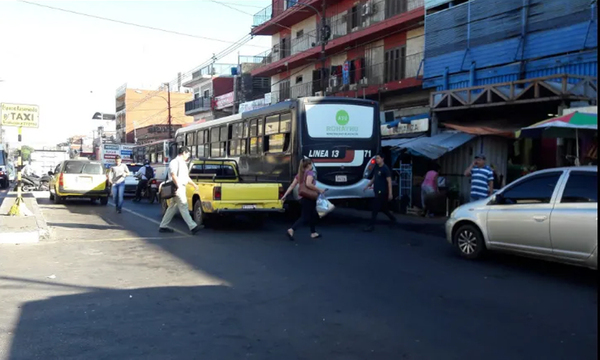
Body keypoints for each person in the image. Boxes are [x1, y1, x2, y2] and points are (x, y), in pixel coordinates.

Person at [158, 147, 202, 235]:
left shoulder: (182, 163)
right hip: (178, 187)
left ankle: (163, 226)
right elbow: (173, 175)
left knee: (172, 207)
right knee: (184, 206)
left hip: (179, 187)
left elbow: (185, 177)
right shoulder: (175, 162)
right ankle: (192, 226)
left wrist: (193, 184)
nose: (189, 155)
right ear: (183, 153)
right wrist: (178, 186)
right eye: (188, 153)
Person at [282, 158, 325, 240]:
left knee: (312, 214)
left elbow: (292, 185)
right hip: (309, 197)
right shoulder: (310, 173)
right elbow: (309, 184)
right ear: (308, 165)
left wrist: (285, 195)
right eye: (311, 164)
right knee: (305, 217)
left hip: (302, 197)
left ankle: (313, 232)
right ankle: (292, 229)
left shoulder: (300, 174)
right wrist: (319, 190)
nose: (312, 165)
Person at [363, 152, 397, 232]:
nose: (377, 160)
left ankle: (371, 226)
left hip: (382, 192)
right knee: (383, 208)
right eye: (376, 158)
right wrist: (367, 185)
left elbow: (389, 181)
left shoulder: (385, 169)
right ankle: (393, 219)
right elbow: (374, 178)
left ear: (382, 159)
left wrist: (390, 193)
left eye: (378, 158)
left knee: (375, 208)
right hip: (376, 190)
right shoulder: (377, 167)